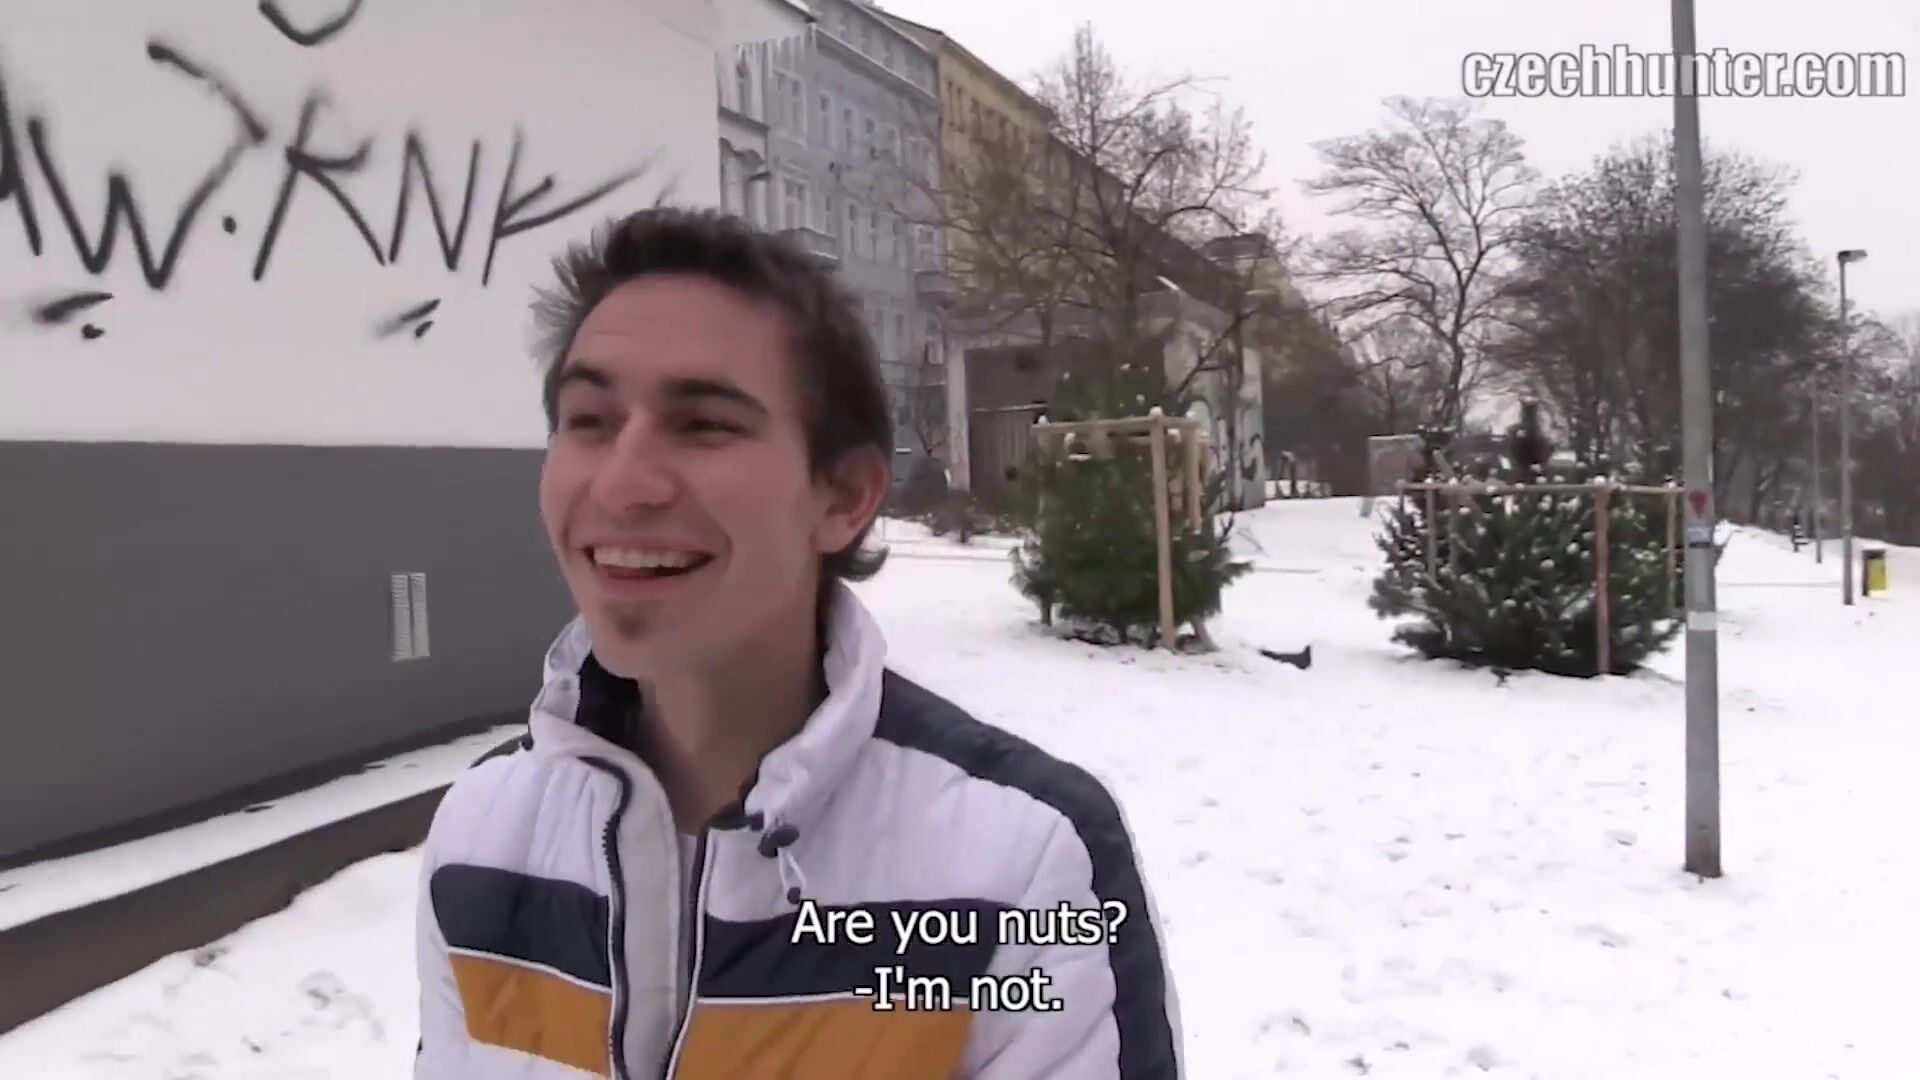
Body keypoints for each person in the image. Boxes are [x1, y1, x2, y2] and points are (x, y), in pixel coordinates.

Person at [413, 208, 1182, 1078]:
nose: (622, 485)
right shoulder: (482, 840)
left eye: (704, 424)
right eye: (588, 419)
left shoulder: (1022, 867)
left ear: (844, 497)